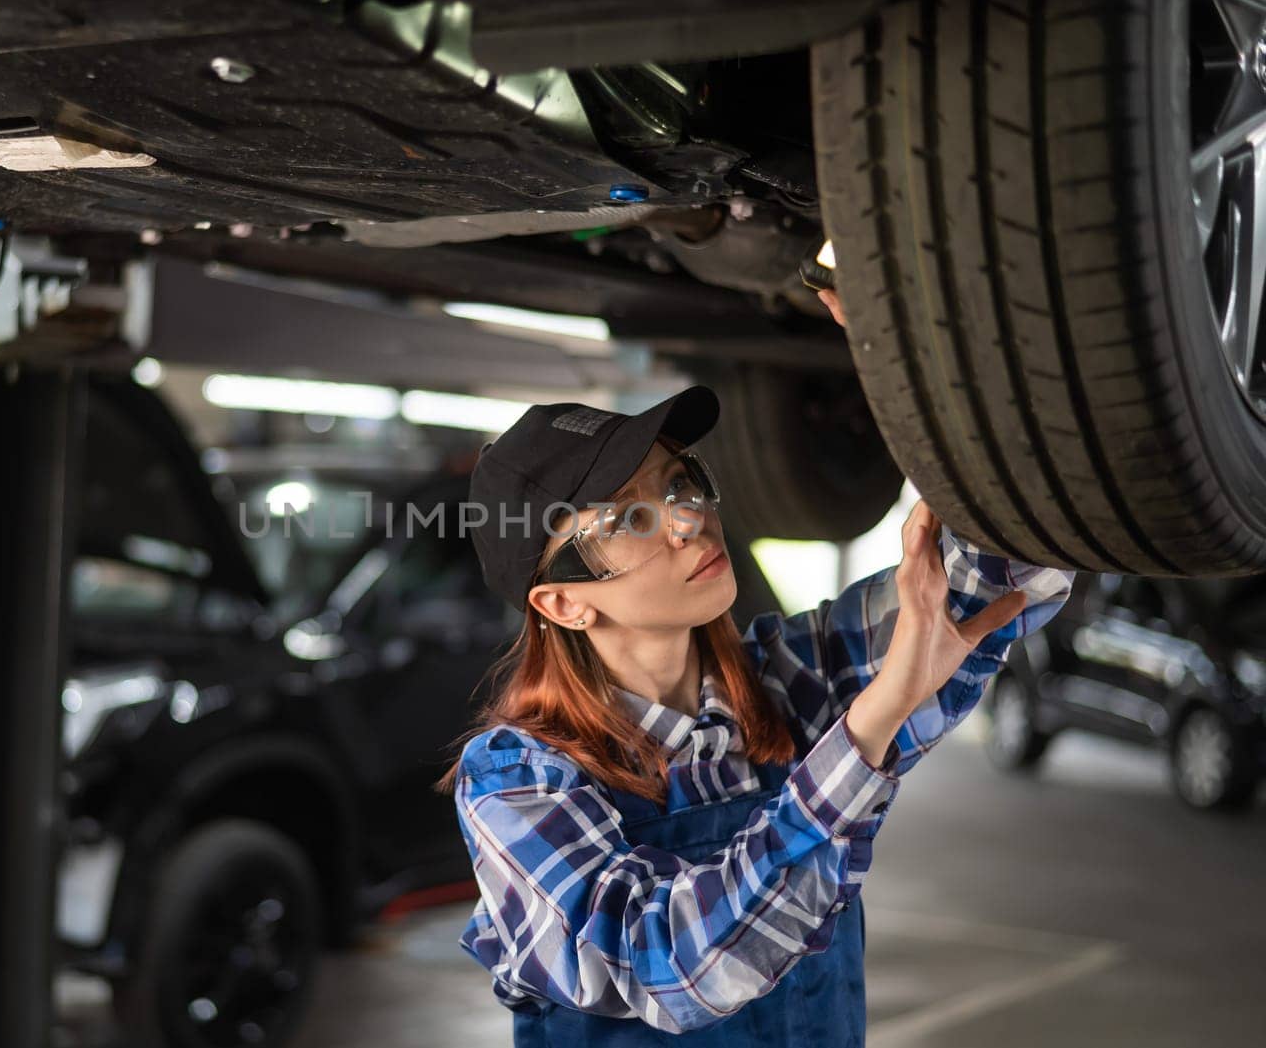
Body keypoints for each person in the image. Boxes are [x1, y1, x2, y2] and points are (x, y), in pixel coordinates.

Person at [433, 290, 1078, 1045]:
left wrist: (921, 372)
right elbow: (666, 968)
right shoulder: (518, 778)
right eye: (628, 518)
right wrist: (872, 722)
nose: (687, 519)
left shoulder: (788, 676)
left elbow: (1008, 562)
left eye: (678, 482)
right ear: (565, 604)